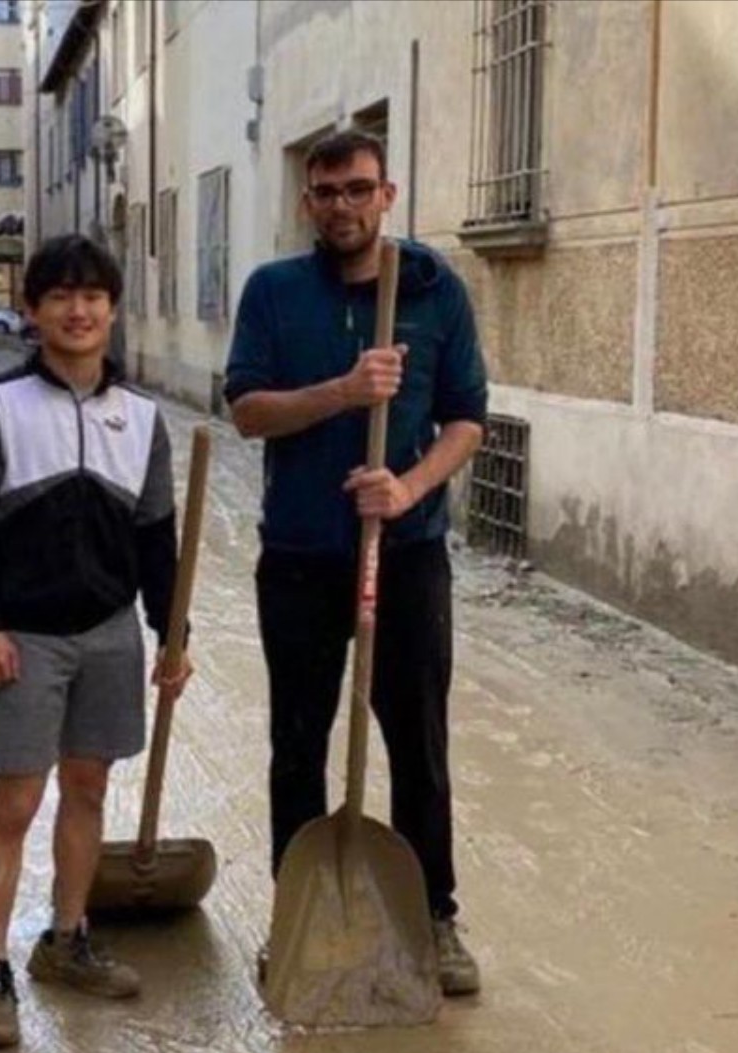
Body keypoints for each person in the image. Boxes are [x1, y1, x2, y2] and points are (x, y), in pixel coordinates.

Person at [223, 128, 489, 997]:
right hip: (300, 555)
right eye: (327, 190)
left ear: (389, 194)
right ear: (308, 201)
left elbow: (467, 420)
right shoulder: (273, 292)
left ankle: (434, 917)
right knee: (296, 743)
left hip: (404, 557)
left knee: (418, 743)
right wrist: (343, 391)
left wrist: (407, 489)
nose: (343, 204)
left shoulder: (435, 290)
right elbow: (248, 411)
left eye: (359, 188)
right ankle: (297, 919)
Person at [0, 235, 192, 1050]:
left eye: (93, 296)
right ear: (32, 309)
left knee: (87, 790)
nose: (78, 310)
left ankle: (67, 937)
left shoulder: (143, 417)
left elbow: (160, 540)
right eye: (60, 295)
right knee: (15, 802)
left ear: (113, 309)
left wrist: (171, 636)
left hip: (111, 633)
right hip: (27, 637)